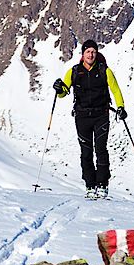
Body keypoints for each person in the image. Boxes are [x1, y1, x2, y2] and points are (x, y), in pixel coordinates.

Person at [53, 39, 126, 199]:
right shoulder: (73, 72)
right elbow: (63, 92)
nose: (91, 54)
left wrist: (120, 107)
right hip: (82, 116)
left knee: (101, 150)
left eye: (93, 52)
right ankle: (90, 185)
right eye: (88, 51)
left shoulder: (104, 70)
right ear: (83, 54)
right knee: (86, 152)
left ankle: (102, 185)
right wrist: (59, 88)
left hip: (101, 115)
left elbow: (116, 90)